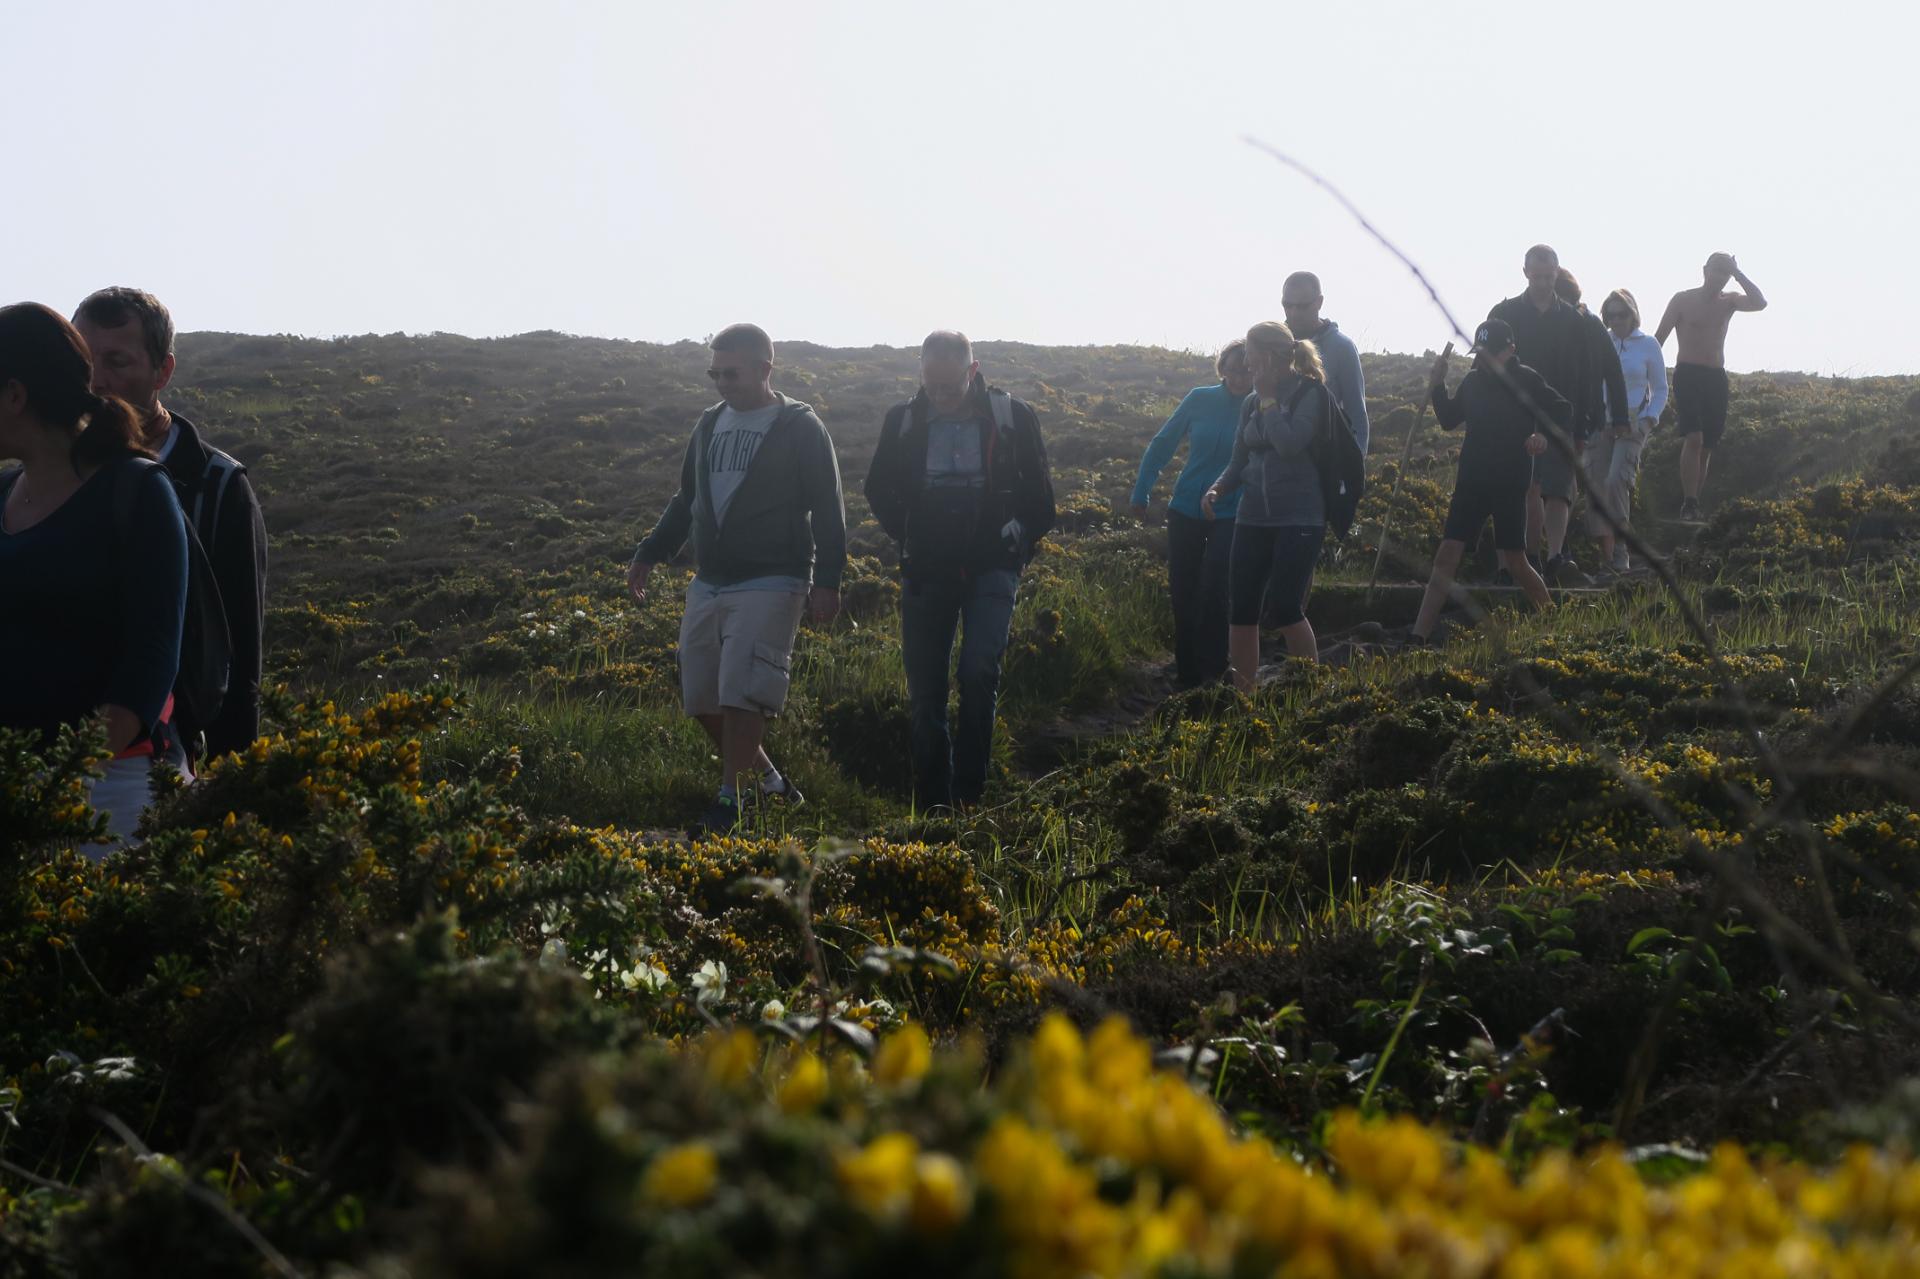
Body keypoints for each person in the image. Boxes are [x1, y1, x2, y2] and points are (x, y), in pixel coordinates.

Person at [628, 324, 846, 834]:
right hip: (711, 579)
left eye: (732, 373)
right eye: (715, 373)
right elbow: (687, 501)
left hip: (774, 577)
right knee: (700, 694)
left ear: (765, 369)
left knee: (742, 690)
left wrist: (828, 581)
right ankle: (770, 782)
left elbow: (829, 510)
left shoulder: (801, 428)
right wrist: (650, 552)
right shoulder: (708, 424)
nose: (722, 383)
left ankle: (730, 801)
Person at [0, 302, 189, 848]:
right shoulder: (2, 495)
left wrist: (59, 775)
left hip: (114, 794)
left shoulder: (137, 490)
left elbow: (152, 658)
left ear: (15, 395)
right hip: (16, 787)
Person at [74, 288, 268, 763]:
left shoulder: (216, 485)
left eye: (117, 362)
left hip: (163, 763)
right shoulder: (42, 475)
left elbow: (238, 657)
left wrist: (226, 784)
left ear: (163, 371)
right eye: (82, 360)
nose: (96, 381)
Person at [865, 331, 1054, 812]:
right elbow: (877, 488)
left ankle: (969, 796)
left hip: (993, 566)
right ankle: (934, 804)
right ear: (920, 374)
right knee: (926, 688)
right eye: (932, 384)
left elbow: (1042, 501)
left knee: (978, 671)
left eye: (951, 385)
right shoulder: (903, 420)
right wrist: (909, 537)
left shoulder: (1013, 417)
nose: (941, 396)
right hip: (926, 569)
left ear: (973, 371)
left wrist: (1013, 545)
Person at [1410, 320, 1567, 643]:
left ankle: (1554, 620)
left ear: (1510, 350)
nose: (1483, 360)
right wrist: (1437, 385)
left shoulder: (1526, 379)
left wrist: (1542, 435)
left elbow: (1563, 411)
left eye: (1490, 353)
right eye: (1479, 354)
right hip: (1471, 480)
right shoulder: (1472, 382)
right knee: (1447, 553)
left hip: (1510, 481)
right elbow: (1449, 420)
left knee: (1515, 560)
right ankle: (1418, 636)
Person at [1201, 321, 1330, 686]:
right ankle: (1243, 695)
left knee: (1286, 605)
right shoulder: (1251, 402)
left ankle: (1309, 689)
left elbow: (1290, 444)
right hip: (1252, 516)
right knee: (1241, 608)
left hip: (1300, 517)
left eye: (1252, 357)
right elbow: (1239, 458)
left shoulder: (1311, 395)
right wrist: (1218, 489)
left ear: (1273, 357)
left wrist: (1271, 400)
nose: (1247, 364)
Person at [1488, 245, 1623, 579]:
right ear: (1525, 273)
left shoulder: (1576, 321)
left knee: (1559, 486)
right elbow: (1487, 364)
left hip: (1563, 412)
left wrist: (1590, 420)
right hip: (1513, 412)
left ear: (1557, 273)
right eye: (1537, 276)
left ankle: (1555, 556)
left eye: (1549, 277)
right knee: (1523, 487)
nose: (1543, 283)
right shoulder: (1505, 314)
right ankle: (1524, 558)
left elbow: (1591, 371)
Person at [1129, 341, 1253, 688]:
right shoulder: (1200, 398)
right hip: (1185, 507)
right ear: (1222, 369)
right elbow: (1163, 442)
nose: (1240, 377)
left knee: (1215, 586)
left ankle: (1214, 669)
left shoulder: (1260, 405)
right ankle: (1186, 672)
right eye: (1232, 369)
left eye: (1247, 369)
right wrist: (1142, 490)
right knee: (1182, 589)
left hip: (1231, 511)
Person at [1654, 253, 1768, 520]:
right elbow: (1658, 338)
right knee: (1694, 438)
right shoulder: (1683, 299)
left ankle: (1693, 503)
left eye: (1724, 273)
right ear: (1705, 270)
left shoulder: (1729, 301)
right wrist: (1648, 376)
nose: (1719, 277)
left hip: (1716, 376)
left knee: (1707, 445)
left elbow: (1760, 303)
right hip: (1688, 374)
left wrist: (1738, 274)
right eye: (1716, 271)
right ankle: (1689, 501)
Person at [1549, 268, 1630, 575]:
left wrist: (1620, 417)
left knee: (1568, 484)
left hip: (1583, 418)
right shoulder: (1555, 323)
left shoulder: (1588, 325)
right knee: (1554, 485)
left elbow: (1612, 371)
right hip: (1560, 416)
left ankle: (1567, 552)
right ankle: (1558, 551)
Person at [1589, 289, 1667, 571]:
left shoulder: (1648, 344)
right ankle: (1606, 557)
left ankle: (1622, 551)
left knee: (1615, 482)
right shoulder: (1601, 343)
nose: (1616, 320)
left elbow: (1660, 389)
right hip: (1601, 424)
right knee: (1597, 487)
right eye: (1610, 315)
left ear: (1633, 313)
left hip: (1633, 425)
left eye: (1622, 314)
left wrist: (1649, 420)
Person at [1280, 271, 1371, 454]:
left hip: (1325, 464)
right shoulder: (1273, 344)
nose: (1294, 313)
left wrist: (1354, 469)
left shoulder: (1342, 347)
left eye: (1302, 306)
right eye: (1288, 305)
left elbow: (1357, 415)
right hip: (1275, 467)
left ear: (1319, 302)